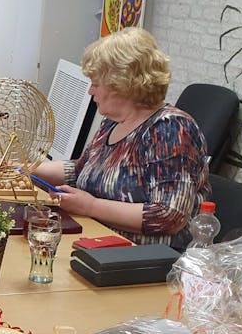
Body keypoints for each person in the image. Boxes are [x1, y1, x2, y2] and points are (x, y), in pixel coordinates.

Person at [34, 27, 210, 249]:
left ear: (122, 85)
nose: (90, 91)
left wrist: (91, 206)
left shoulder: (170, 129)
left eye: (96, 84)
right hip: (99, 241)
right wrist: (24, 167)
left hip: (147, 258)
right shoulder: (112, 122)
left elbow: (168, 215)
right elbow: (80, 170)